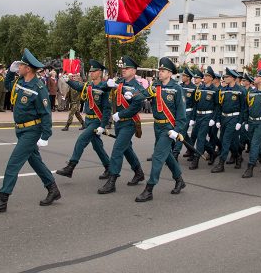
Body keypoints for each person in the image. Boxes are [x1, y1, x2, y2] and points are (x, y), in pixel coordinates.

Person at [0, 49, 60, 214]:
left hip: (32, 130)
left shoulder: (39, 87)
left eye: (22, 65)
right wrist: (10, 73)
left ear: (29, 68)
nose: (19, 67)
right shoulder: (21, 81)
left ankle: (3, 199)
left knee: (13, 164)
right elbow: (9, 86)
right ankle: (53, 189)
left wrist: (46, 135)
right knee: (35, 161)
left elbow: (46, 113)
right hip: (21, 130)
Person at [135, 57, 186, 202]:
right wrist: (131, 96)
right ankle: (179, 180)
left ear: (170, 73)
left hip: (168, 128)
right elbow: (144, 94)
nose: (160, 73)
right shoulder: (156, 86)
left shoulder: (177, 89)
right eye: (160, 70)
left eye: (163, 71)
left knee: (157, 156)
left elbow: (182, 114)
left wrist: (177, 130)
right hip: (157, 125)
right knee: (167, 155)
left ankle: (149, 188)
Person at [98, 56, 147, 194]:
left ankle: (112, 180)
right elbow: (101, 87)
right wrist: (107, 84)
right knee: (126, 149)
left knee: (117, 149)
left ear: (134, 70)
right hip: (118, 123)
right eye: (123, 68)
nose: (123, 70)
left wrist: (121, 115)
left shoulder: (138, 87)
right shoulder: (119, 81)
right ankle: (138, 172)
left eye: (126, 68)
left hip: (129, 122)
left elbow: (136, 106)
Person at [56, 60, 112, 179]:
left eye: (94, 71)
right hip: (88, 120)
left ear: (100, 72)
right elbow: (78, 86)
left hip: (97, 121)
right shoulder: (89, 86)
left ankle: (71, 167)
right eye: (90, 71)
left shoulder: (105, 88)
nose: (91, 73)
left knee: (81, 139)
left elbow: (107, 109)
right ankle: (109, 167)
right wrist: (68, 81)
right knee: (97, 146)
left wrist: (103, 125)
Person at [211, 68, 247, 173]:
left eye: (226, 77)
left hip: (234, 118)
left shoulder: (241, 90)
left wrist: (240, 122)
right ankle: (238, 156)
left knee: (225, 140)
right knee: (232, 141)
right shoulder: (222, 90)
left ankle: (221, 164)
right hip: (223, 118)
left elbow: (243, 108)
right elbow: (219, 106)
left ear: (232, 78)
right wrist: (217, 119)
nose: (224, 78)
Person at [189, 67, 219, 168]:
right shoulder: (200, 88)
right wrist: (193, 118)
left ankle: (196, 159)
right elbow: (195, 104)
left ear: (211, 78)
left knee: (201, 137)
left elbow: (217, 106)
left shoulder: (215, 90)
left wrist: (213, 119)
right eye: (204, 75)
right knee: (196, 135)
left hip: (208, 116)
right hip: (198, 115)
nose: (204, 77)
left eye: (207, 76)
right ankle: (213, 152)